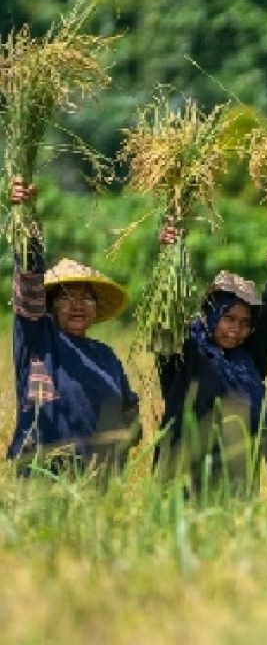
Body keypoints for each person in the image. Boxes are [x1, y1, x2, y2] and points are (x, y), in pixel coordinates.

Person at [6, 176, 140, 470]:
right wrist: (26, 221)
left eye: (86, 298)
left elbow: (129, 412)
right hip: (43, 473)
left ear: (96, 307)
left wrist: (118, 450)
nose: (78, 304)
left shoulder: (105, 356)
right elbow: (29, 283)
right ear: (50, 306)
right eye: (66, 297)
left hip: (98, 481)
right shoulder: (38, 339)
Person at [153, 224, 267, 491]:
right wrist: (169, 255)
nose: (236, 329)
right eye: (228, 318)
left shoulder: (249, 360)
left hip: (237, 481)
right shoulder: (184, 354)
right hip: (183, 479)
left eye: (244, 323)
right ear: (209, 314)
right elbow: (166, 320)